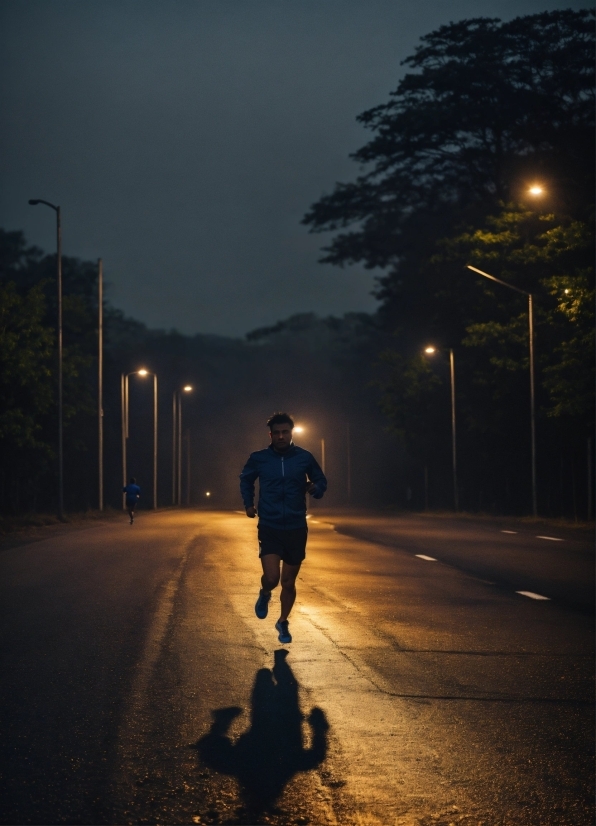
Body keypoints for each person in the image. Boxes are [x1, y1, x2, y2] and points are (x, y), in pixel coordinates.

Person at [239, 413, 327, 644]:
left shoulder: (304, 457)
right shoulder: (259, 458)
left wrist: (315, 488)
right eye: (276, 433)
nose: (280, 436)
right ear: (270, 435)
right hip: (270, 524)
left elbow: (321, 481)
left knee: (288, 582)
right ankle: (265, 593)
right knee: (272, 578)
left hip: (296, 526)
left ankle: (283, 621)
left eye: (285, 432)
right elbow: (246, 479)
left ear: (291, 433)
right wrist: (248, 504)